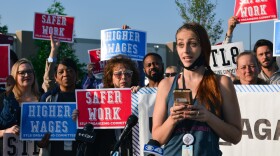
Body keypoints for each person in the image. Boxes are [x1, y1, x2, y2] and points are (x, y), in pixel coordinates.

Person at [152, 23, 242, 156]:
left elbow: (235, 136)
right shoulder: (166, 84)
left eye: (192, 44)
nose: (186, 50)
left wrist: (208, 117)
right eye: (181, 45)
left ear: (203, 47)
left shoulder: (222, 82)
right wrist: (172, 119)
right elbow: (157, 138)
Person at [72, 54, 139, 156]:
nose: (124, 77)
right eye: (118, 74)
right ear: (110, 77)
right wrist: (80, 118)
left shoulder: (139, 95)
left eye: (128, 74)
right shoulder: (98, 99)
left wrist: (140, 96)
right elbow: (89, 137)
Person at [39, 58, 79, 156]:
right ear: (55, 77)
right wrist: (40, 141)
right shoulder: (48, 98)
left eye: (69, 71)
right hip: (54, 151)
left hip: (79, 150)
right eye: (61, 72)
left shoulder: (87, 98)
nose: (65, 74)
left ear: (76, 74)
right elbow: (40, 129)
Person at [0, 58, 40, 155]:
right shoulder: (4, 98)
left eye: (29, 71)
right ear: (14, 76)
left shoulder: (42, 98)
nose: (26, 75)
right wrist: (5, 131)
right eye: (22, 73)